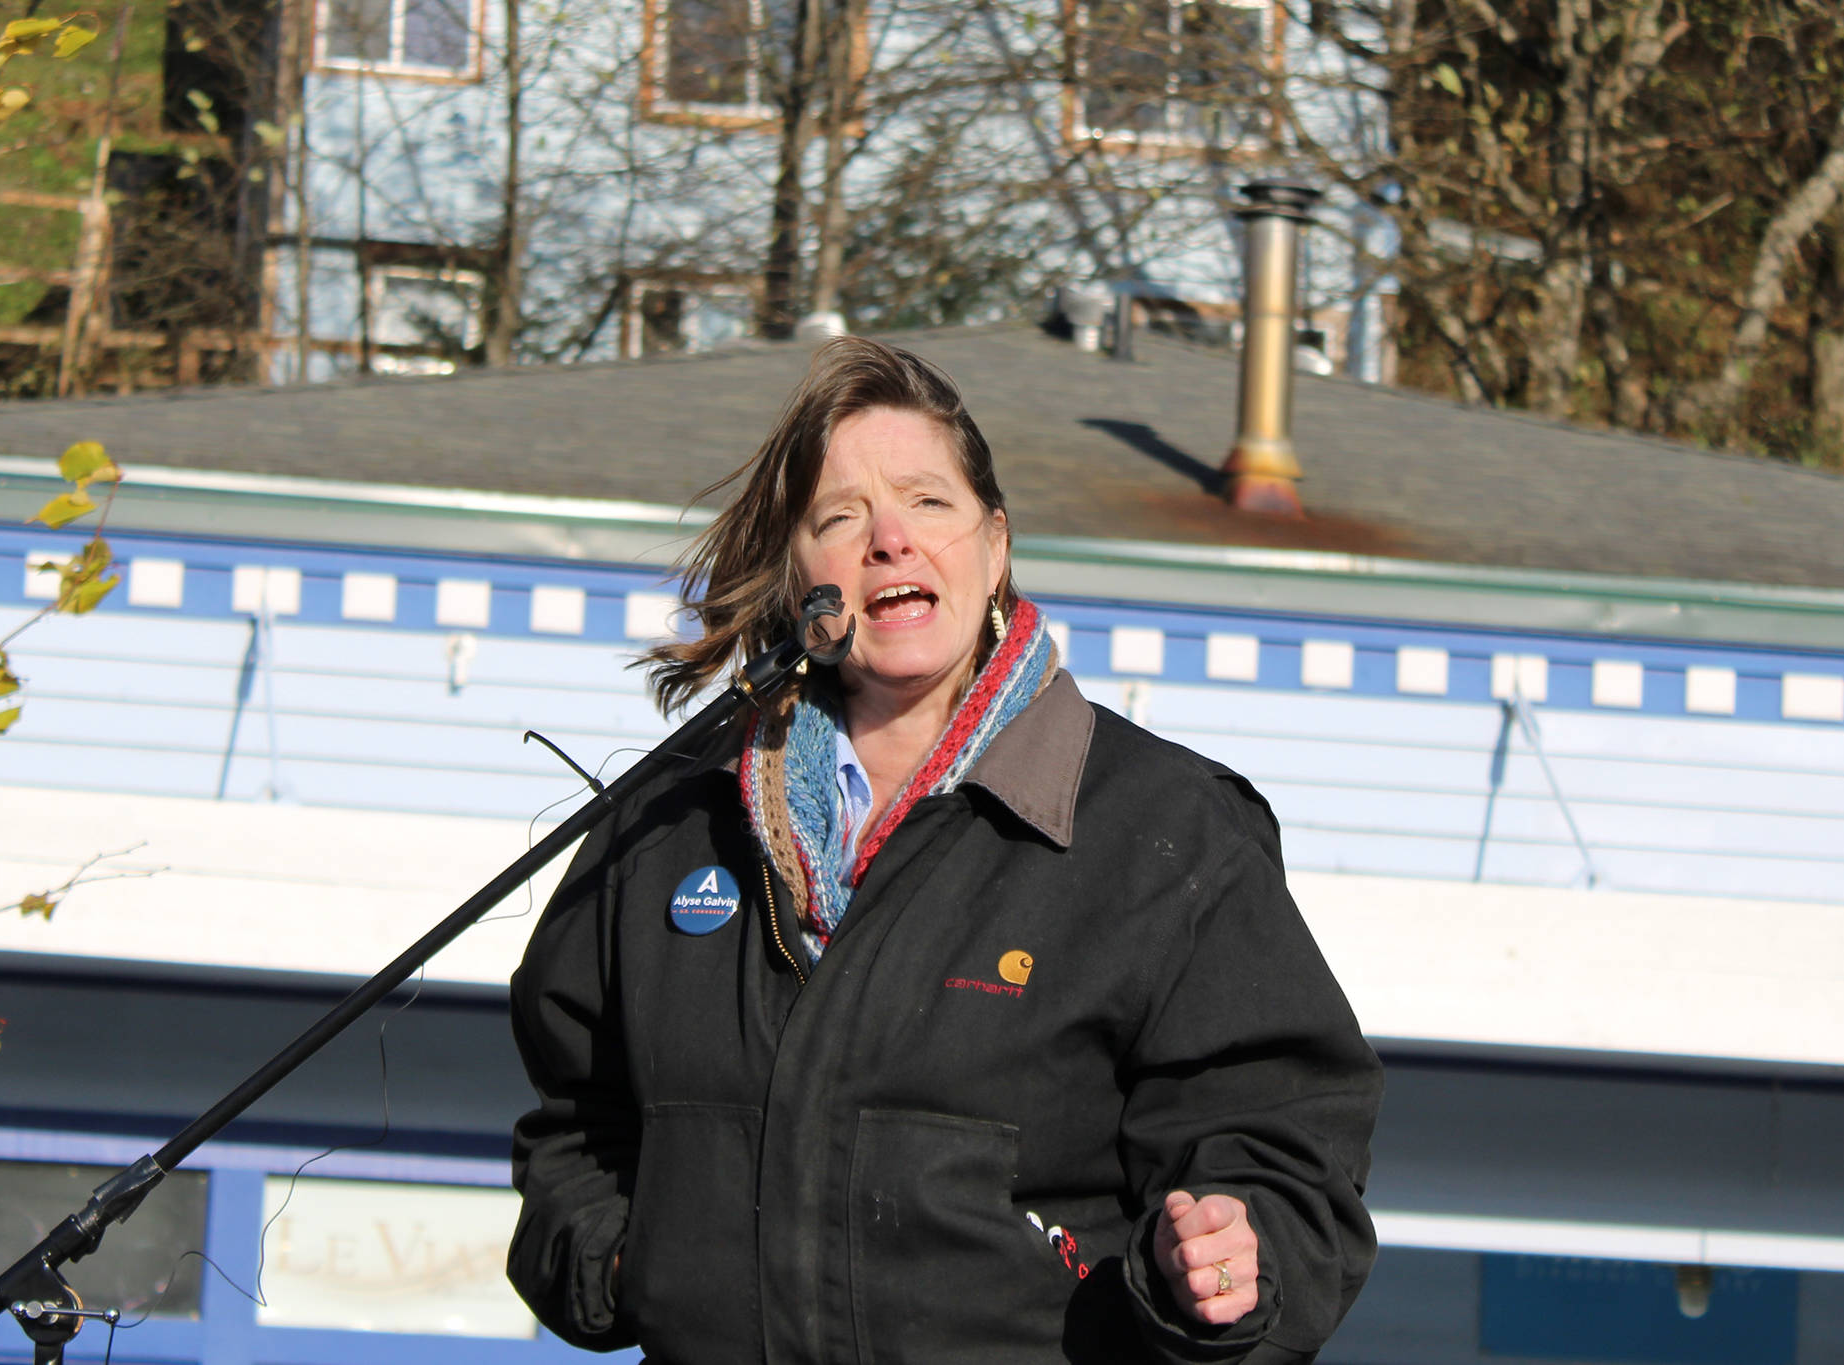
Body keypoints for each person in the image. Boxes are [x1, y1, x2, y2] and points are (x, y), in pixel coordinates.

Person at [505, 337, 1381, 1364]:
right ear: (797, 581)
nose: (889, 541)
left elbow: (1282, 1139)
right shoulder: (669, 825)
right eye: (840, 518)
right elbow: (573, 1125)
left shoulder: (1165, 834)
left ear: (994, 545)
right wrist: (623, 1263)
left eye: (928, 502)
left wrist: (1236, 1257)